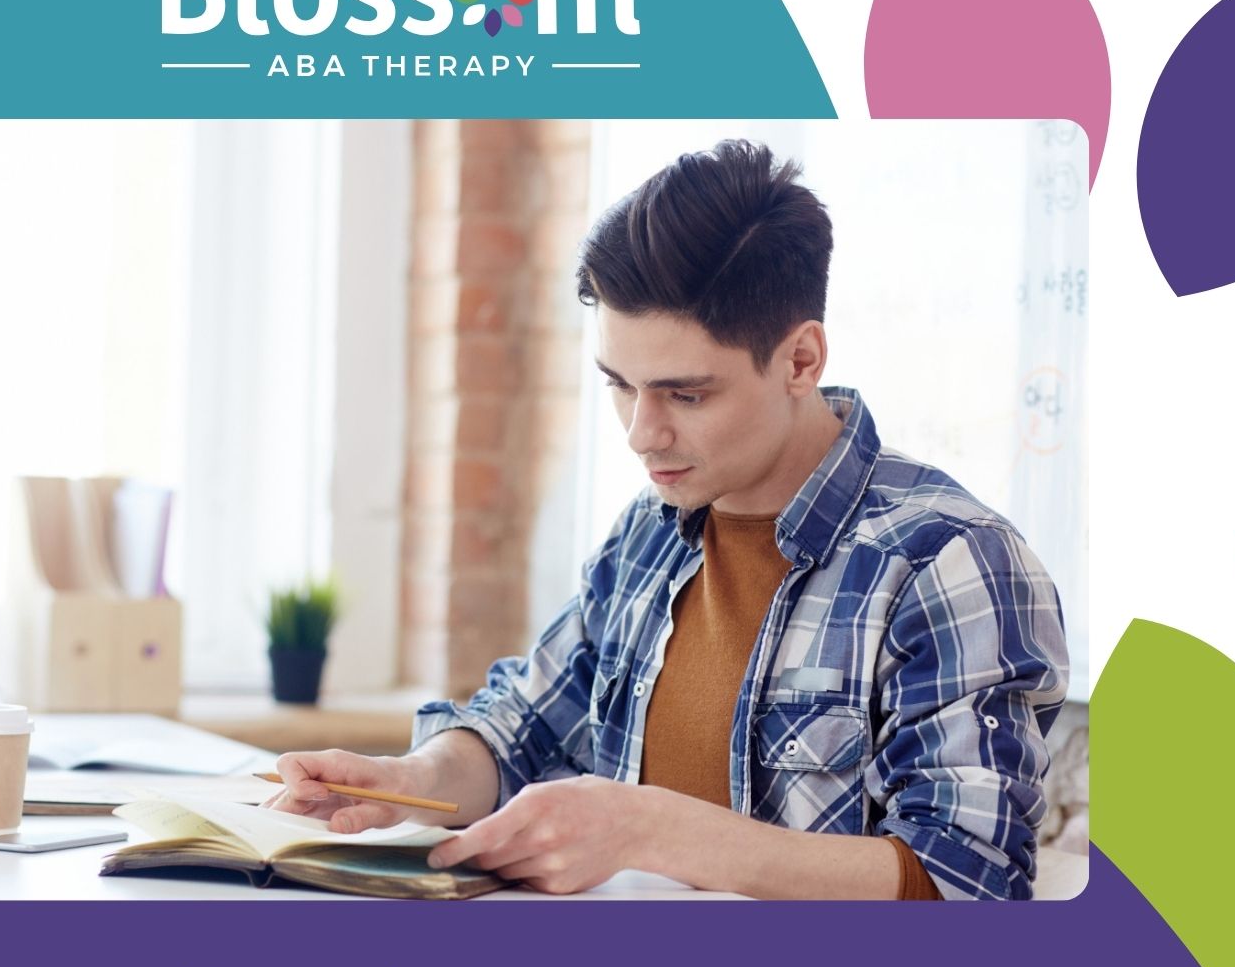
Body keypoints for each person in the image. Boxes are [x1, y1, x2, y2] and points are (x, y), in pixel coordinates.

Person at [265, 139, 1068, 900]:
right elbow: (523, 728)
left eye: (686, 394)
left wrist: (652, 828)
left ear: (800, 360)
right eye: (620, 383)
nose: (641, 432)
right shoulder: (652, 532)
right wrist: (419, 782)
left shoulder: (950, 562)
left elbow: (969, 883)